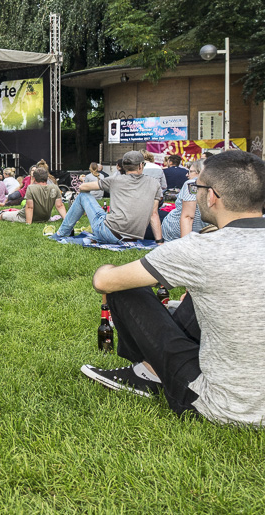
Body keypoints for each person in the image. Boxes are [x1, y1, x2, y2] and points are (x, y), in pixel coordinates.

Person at [79, 151, 265, 427]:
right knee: (201, 293)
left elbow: (105, 283)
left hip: (221, 405)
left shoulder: (200, 249)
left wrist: (104, 269)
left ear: (212, 196)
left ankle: (147, 373)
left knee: (124, 290)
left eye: (197, 187)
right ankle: (150, 369)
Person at [55, 150, 163, 244]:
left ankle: (61, 233)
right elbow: (154, 214)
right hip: (132, 238)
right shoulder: (154, 183)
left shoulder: (115, 180)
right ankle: (65, 233)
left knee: (83, 196)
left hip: (109, 233)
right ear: (141, 165)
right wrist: (159, 241)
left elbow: (83, 187)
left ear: (123, 167)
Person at [0, 167, 66, 224]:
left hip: (25, 217)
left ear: (34, 178)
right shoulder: (55, 188)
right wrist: (66, 220)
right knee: (15, 211)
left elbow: (29, 207)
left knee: (4, 215)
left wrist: (28, 223)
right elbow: (60, 206)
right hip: (45, 217)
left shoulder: (31, 188)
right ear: (47, 178)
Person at [162, 159, 206, 241]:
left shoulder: (192, 183)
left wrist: (184, 245)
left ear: (199, 172)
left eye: (190, 171)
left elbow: (188, 216)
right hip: (195, 232)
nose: (187, 174)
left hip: (177, 232)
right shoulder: (216, 185)